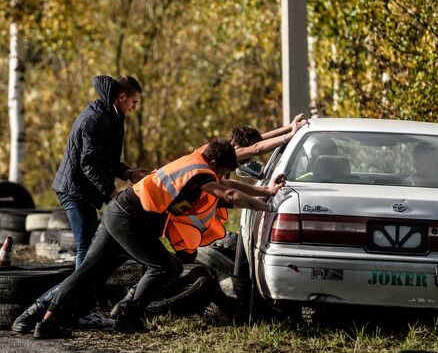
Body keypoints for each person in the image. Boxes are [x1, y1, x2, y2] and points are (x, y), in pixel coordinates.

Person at [32, 139, 290, 339]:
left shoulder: (198, 157)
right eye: (221, 172)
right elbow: (230, 194)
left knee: (90, 272)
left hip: (119, 212)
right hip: (128, 218)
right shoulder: (200, 174)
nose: (221, 178)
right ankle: (127, 316)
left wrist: (265, 191)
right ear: (213, 163)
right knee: (165, 267)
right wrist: (267, 207)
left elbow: (230, 186)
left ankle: (47, 322)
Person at [11, 75, 148, 334]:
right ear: (121, 97)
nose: (134, 107)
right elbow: (89, 164)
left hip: (84, 192)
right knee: (87, 259)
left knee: (90, 257)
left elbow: (105, 159)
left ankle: (39, 314)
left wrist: (128, 173)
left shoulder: (111, 116)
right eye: (133, 101)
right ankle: (70, 312)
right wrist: (111, 192)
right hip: (75, 192)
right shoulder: (95, 120)